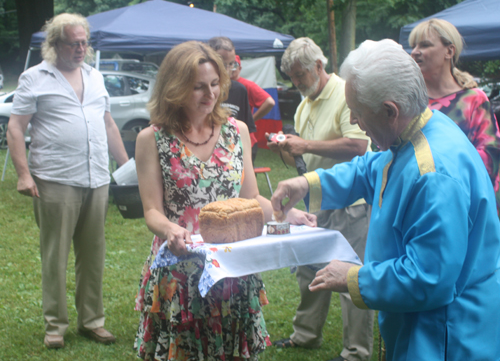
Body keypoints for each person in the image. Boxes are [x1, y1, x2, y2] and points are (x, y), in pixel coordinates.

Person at [271, 38, 500, 361]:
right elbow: (369, 169)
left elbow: (428, 278)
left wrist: (353, 277)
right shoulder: (415, 130)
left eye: (358, 112)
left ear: (391, 111)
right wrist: (306, 184)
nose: (353, 120)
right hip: (423, 324)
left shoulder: (433, 175)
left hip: (446, 335)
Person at [133, 41, 316, 361]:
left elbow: (249, 197)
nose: (211, 94)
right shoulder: (153, 138)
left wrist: (286, 214)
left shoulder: (237, 131)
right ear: (175, 88)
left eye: (215, 84)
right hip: (182, 268)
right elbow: (152, 210)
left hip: (233, 265)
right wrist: (170, 231)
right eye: (198, 87)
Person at [6, 13, 129, 349]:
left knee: (93, 254)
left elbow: (109, 126)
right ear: (55, 43)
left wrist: (127, 168)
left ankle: (92, 321)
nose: (80, 48)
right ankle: (55, 326)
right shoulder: (35, 78)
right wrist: (22, 174)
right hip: (55, 179)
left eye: (84, 42)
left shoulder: (95, 76)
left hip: (96, 179)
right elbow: (16, 128)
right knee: (55, 255)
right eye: (73, 42)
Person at [267, 37, 374, 361]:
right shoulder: (304, 104)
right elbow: (302, 160)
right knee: (309, 269)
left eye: (300, 74)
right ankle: (306, 335)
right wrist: (288, 149)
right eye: (292, 77)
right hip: (316, 203)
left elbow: (359, 147)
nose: (296, 82)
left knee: (350, 274)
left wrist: (307, 145)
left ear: (318, 65)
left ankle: (356, 351)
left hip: (349, 206)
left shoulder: (345, 92)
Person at [409, 18, 500, 210]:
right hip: (417, 202)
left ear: (449, 51)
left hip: (464, 203)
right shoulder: (409, 101)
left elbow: (490, 154)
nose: (415, 51)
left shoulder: (474, 99)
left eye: (424, 45)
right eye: (413, 46)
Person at [207, 37, 259, 161]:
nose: (228, 69)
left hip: (232, 156)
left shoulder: (239, 90)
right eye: (223, 64)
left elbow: (246, 131)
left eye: (231, 64)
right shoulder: (201, 91)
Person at [231, 55, 276, 161]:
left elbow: (269, 102)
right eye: (227, 64)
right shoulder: (219, 85)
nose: (231, 68)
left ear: (240, 68)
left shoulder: (247, 85)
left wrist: (250, 120)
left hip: (246, 140)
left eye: (234, 64)